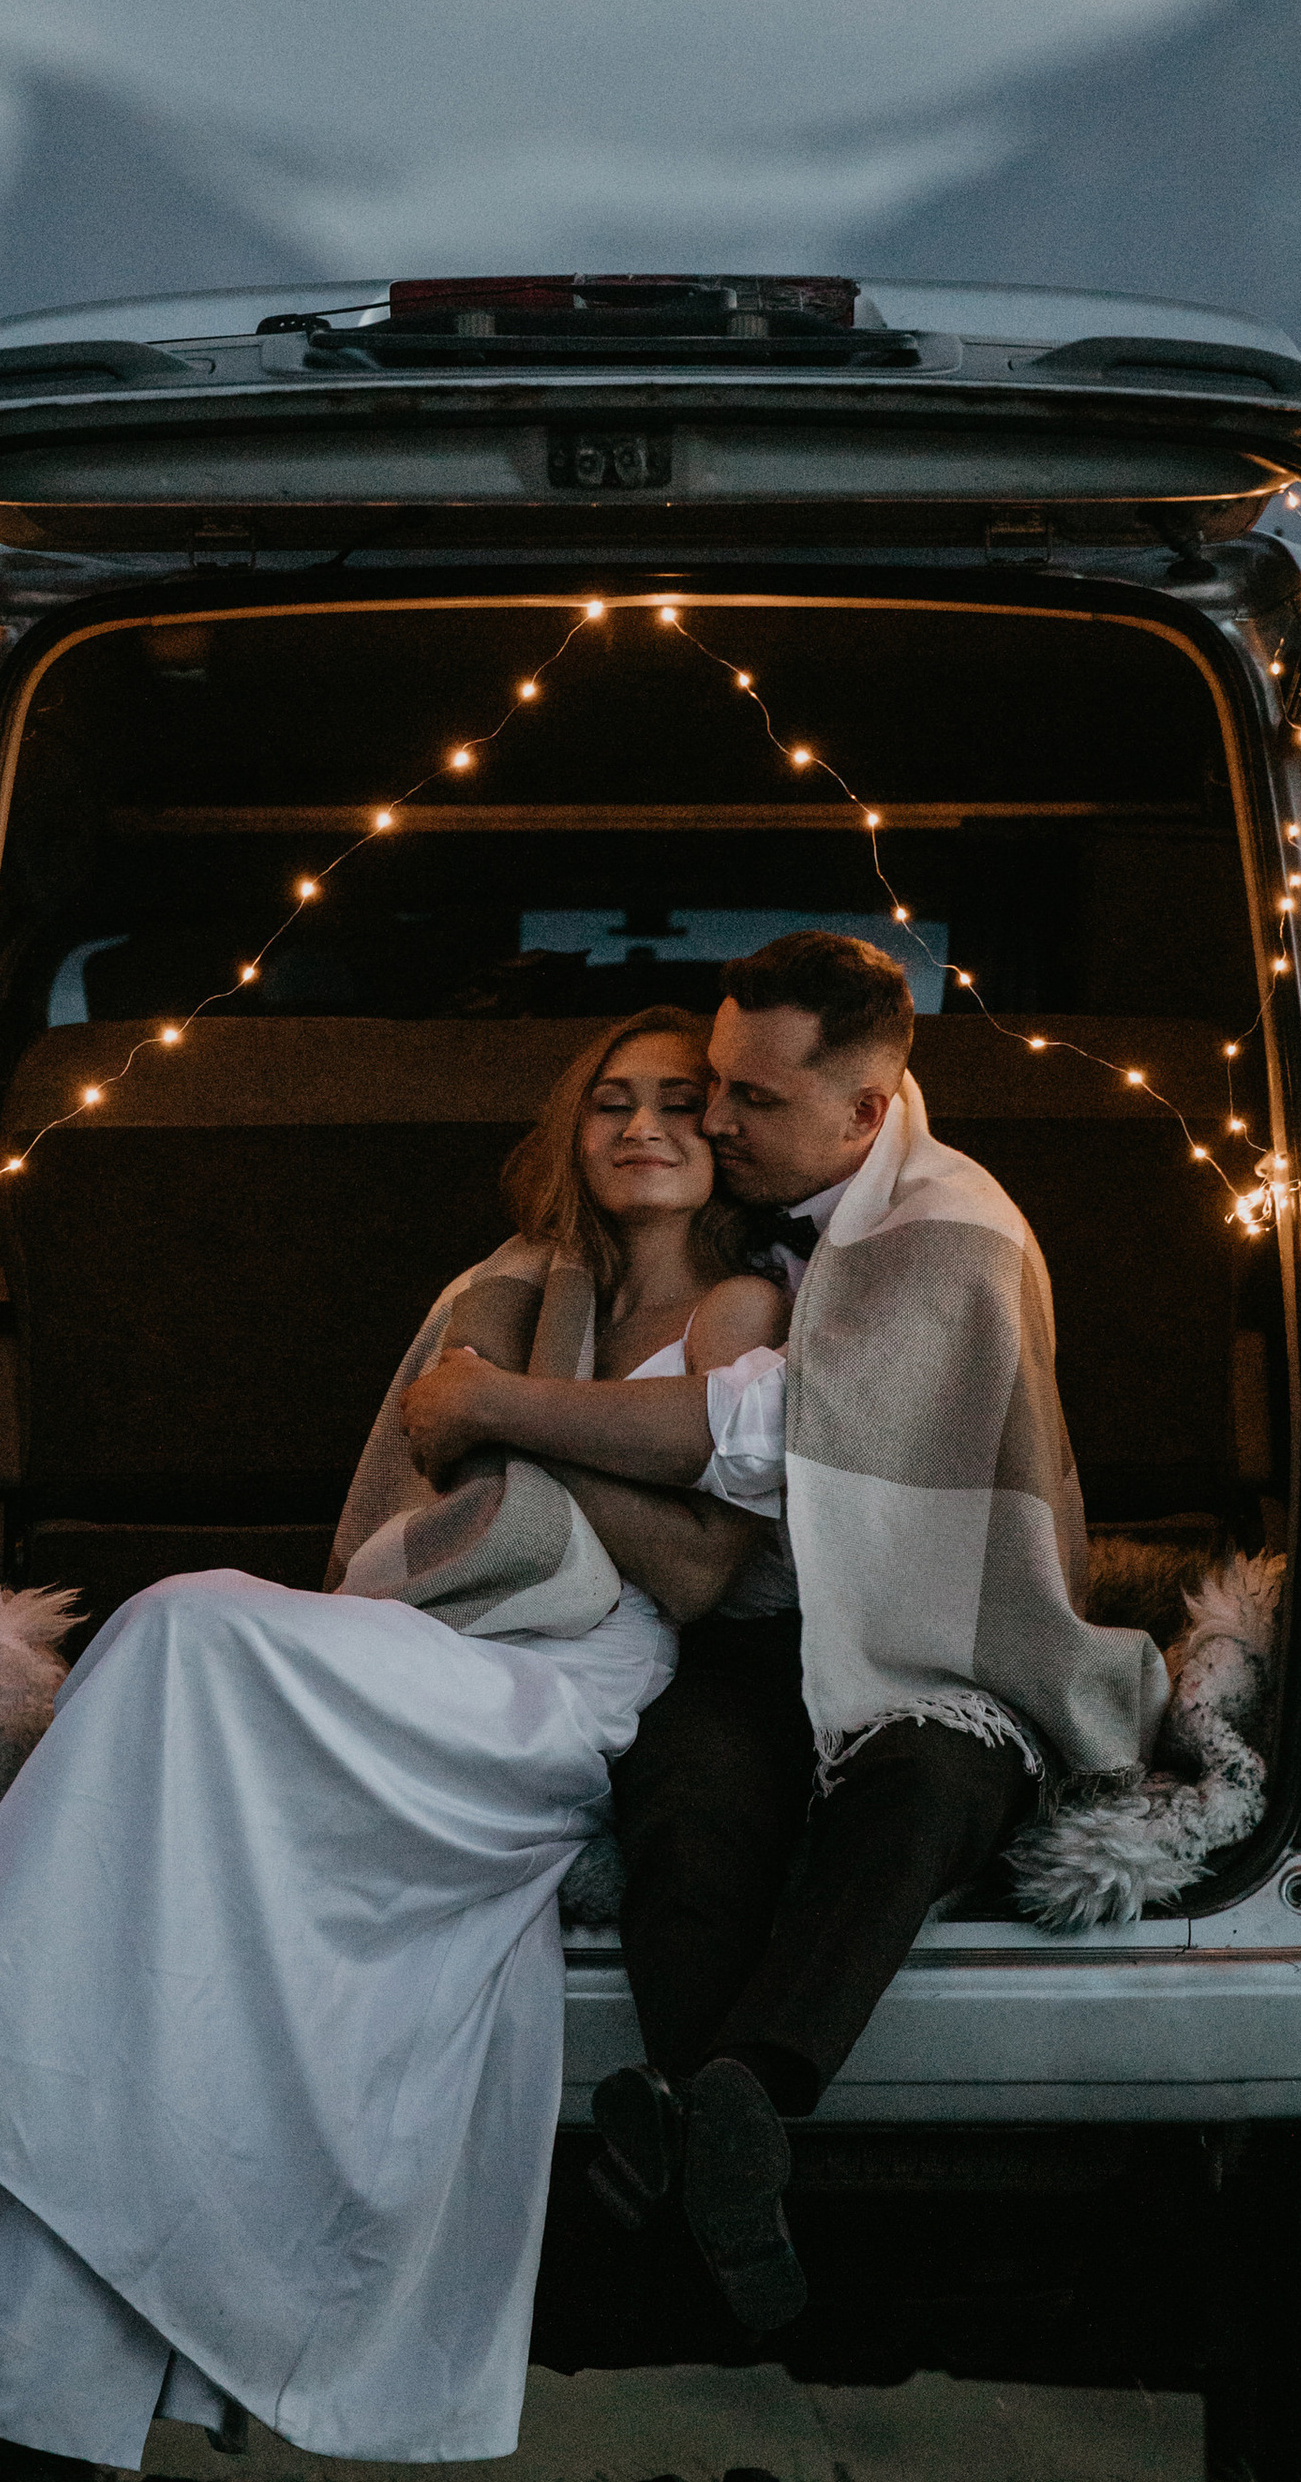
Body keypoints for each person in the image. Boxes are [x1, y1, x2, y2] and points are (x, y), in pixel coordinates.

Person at [0, 1004, 781, 2482]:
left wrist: (520, 1429)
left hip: (565, 1691)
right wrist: (543, 1445)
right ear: (573, 1136)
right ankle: (8, 2405)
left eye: (680, 1104)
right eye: (610, 1104)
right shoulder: (511, 1290)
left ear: (729, 1134)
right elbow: (406, 1527)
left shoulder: (742, 1312)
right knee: (180, 1820)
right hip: (440, 1635)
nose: (642, 1127)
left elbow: (697, 1572)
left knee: (187, 1621)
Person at [400, 931, 1169, 2337]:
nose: (711, 1118)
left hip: (945, 1632)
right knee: (686, 1800)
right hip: (760, 1638)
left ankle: (741, 2089)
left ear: (866, 1111)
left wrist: (497, 1407)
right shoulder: (731, 1229)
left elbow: (756, 1444)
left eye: (751, 1099)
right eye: (711, 1085)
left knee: (922, 1791)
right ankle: (728, 2158)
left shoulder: (952, 1227)